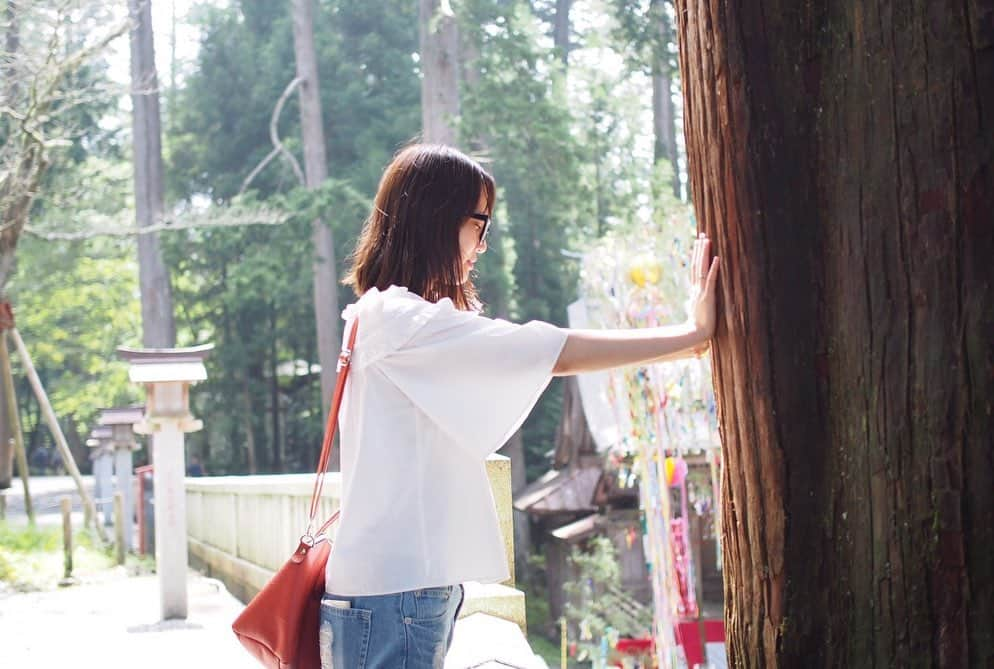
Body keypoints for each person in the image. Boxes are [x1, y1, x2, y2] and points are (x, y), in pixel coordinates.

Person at [320, 143, 720, 668]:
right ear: (437, 219)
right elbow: (549, 350)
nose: (482, 245)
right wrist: (692, 335)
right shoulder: (401, 322)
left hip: (388, 588)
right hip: (398, 592)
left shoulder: (375, 316)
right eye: (479, 224)